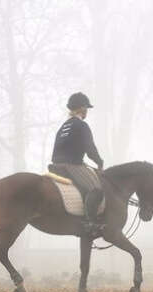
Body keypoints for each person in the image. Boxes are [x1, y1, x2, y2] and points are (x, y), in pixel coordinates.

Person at [50, 92, 105, 237]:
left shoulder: (63, 126)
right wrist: (100, 162)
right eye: (86, 108)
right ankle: (90, 223)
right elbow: (90, 149)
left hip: (56, 165)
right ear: (81, 108)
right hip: (71, 166)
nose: (87, 111)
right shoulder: (81, 125)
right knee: (96, 189)